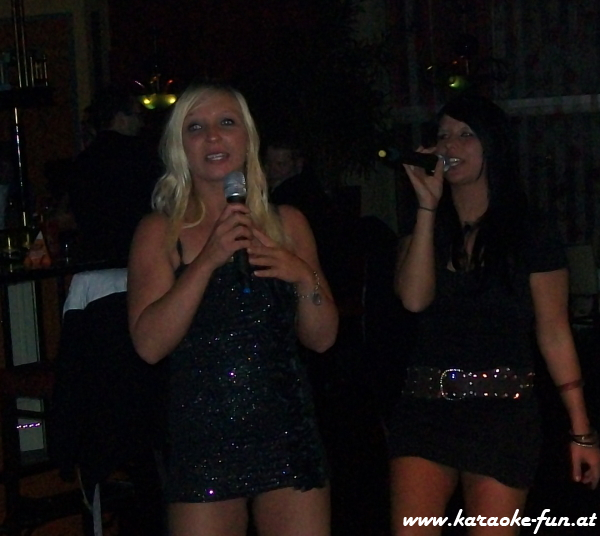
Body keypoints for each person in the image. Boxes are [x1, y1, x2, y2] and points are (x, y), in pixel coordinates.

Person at [127, 81, 338, 536]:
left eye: (226, 123)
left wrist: (303, 275)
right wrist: (207, 260)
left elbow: (323, 338)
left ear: (248, 138)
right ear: (180, 147)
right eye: (196, 127)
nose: (213, 137)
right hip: (204, 439)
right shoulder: (160, 232)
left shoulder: (287, 223)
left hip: (286, 434)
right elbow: (148, 345)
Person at [388, 94, 600, 535]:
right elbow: (413, 299)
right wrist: (426, 206)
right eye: (443, 135)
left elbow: (555, 332)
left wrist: (581, 429)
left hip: (502, 413)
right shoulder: (424, 226)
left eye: (466, 134)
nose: (450, 145)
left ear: (493, 145)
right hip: (425, 408)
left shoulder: (530, 230)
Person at [70, 85, 162, 262]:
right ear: (121, 119)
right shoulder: (142, 156)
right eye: (137, 115)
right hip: (137, 254)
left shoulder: (83, 161)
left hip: (95, 259)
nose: (141, 123)